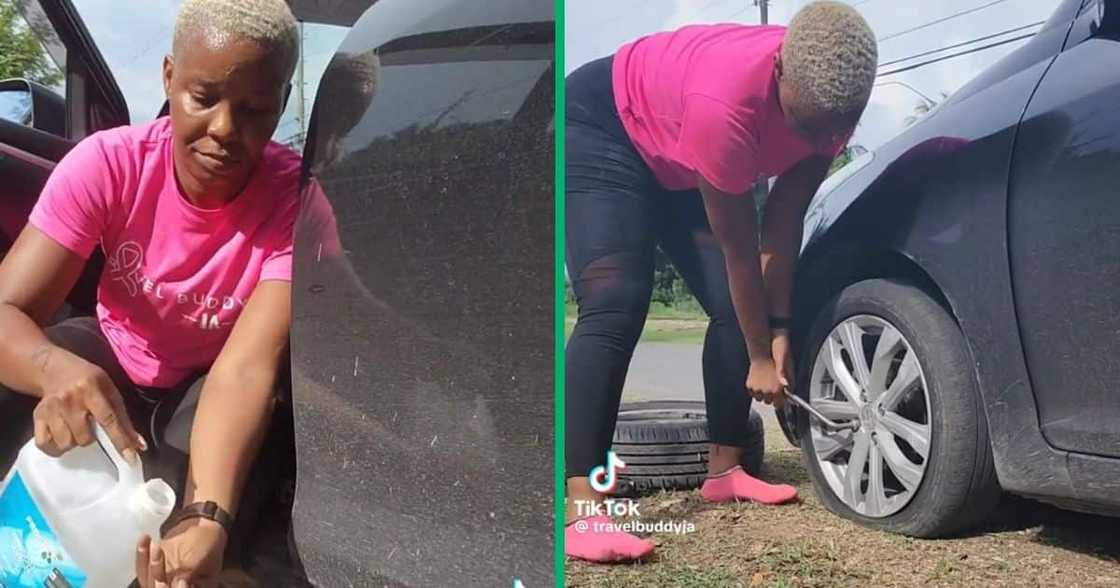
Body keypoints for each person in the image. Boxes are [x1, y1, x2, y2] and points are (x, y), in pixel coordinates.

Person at [0, 0, 304, 584]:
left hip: (211, 378)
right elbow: (7, 311)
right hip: (116, 350)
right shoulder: (110, 165)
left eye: (254, 110)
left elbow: (245, 371)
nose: (222, 129)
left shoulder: (295, 202)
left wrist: (207, 516)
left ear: (282, 105)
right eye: (203, 97)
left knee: (207, 521)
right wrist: (50, 369)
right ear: (169, 77)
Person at [564, 1, 877, 562]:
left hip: (677, 156)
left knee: (737, 310)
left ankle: (724, 469)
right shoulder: (725, 103)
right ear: (779, 67)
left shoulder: (837, 99)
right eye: (803, 127)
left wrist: (778, 331)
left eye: (830, 131)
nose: (817, 140)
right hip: (604, 126)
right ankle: (584, 508)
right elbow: (740, 249)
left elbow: (782, 225)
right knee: (617, 298)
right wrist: (760, 358)